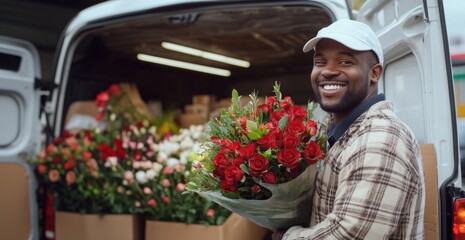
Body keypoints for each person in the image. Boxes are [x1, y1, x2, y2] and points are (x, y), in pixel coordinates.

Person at [272, 19, 425, 239]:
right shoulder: (334, 130)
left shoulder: (381, 139)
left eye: (344, 62)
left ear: (374, 73)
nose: (328, 71)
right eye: (321, 61)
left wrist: (285, 235)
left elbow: (349, 234)